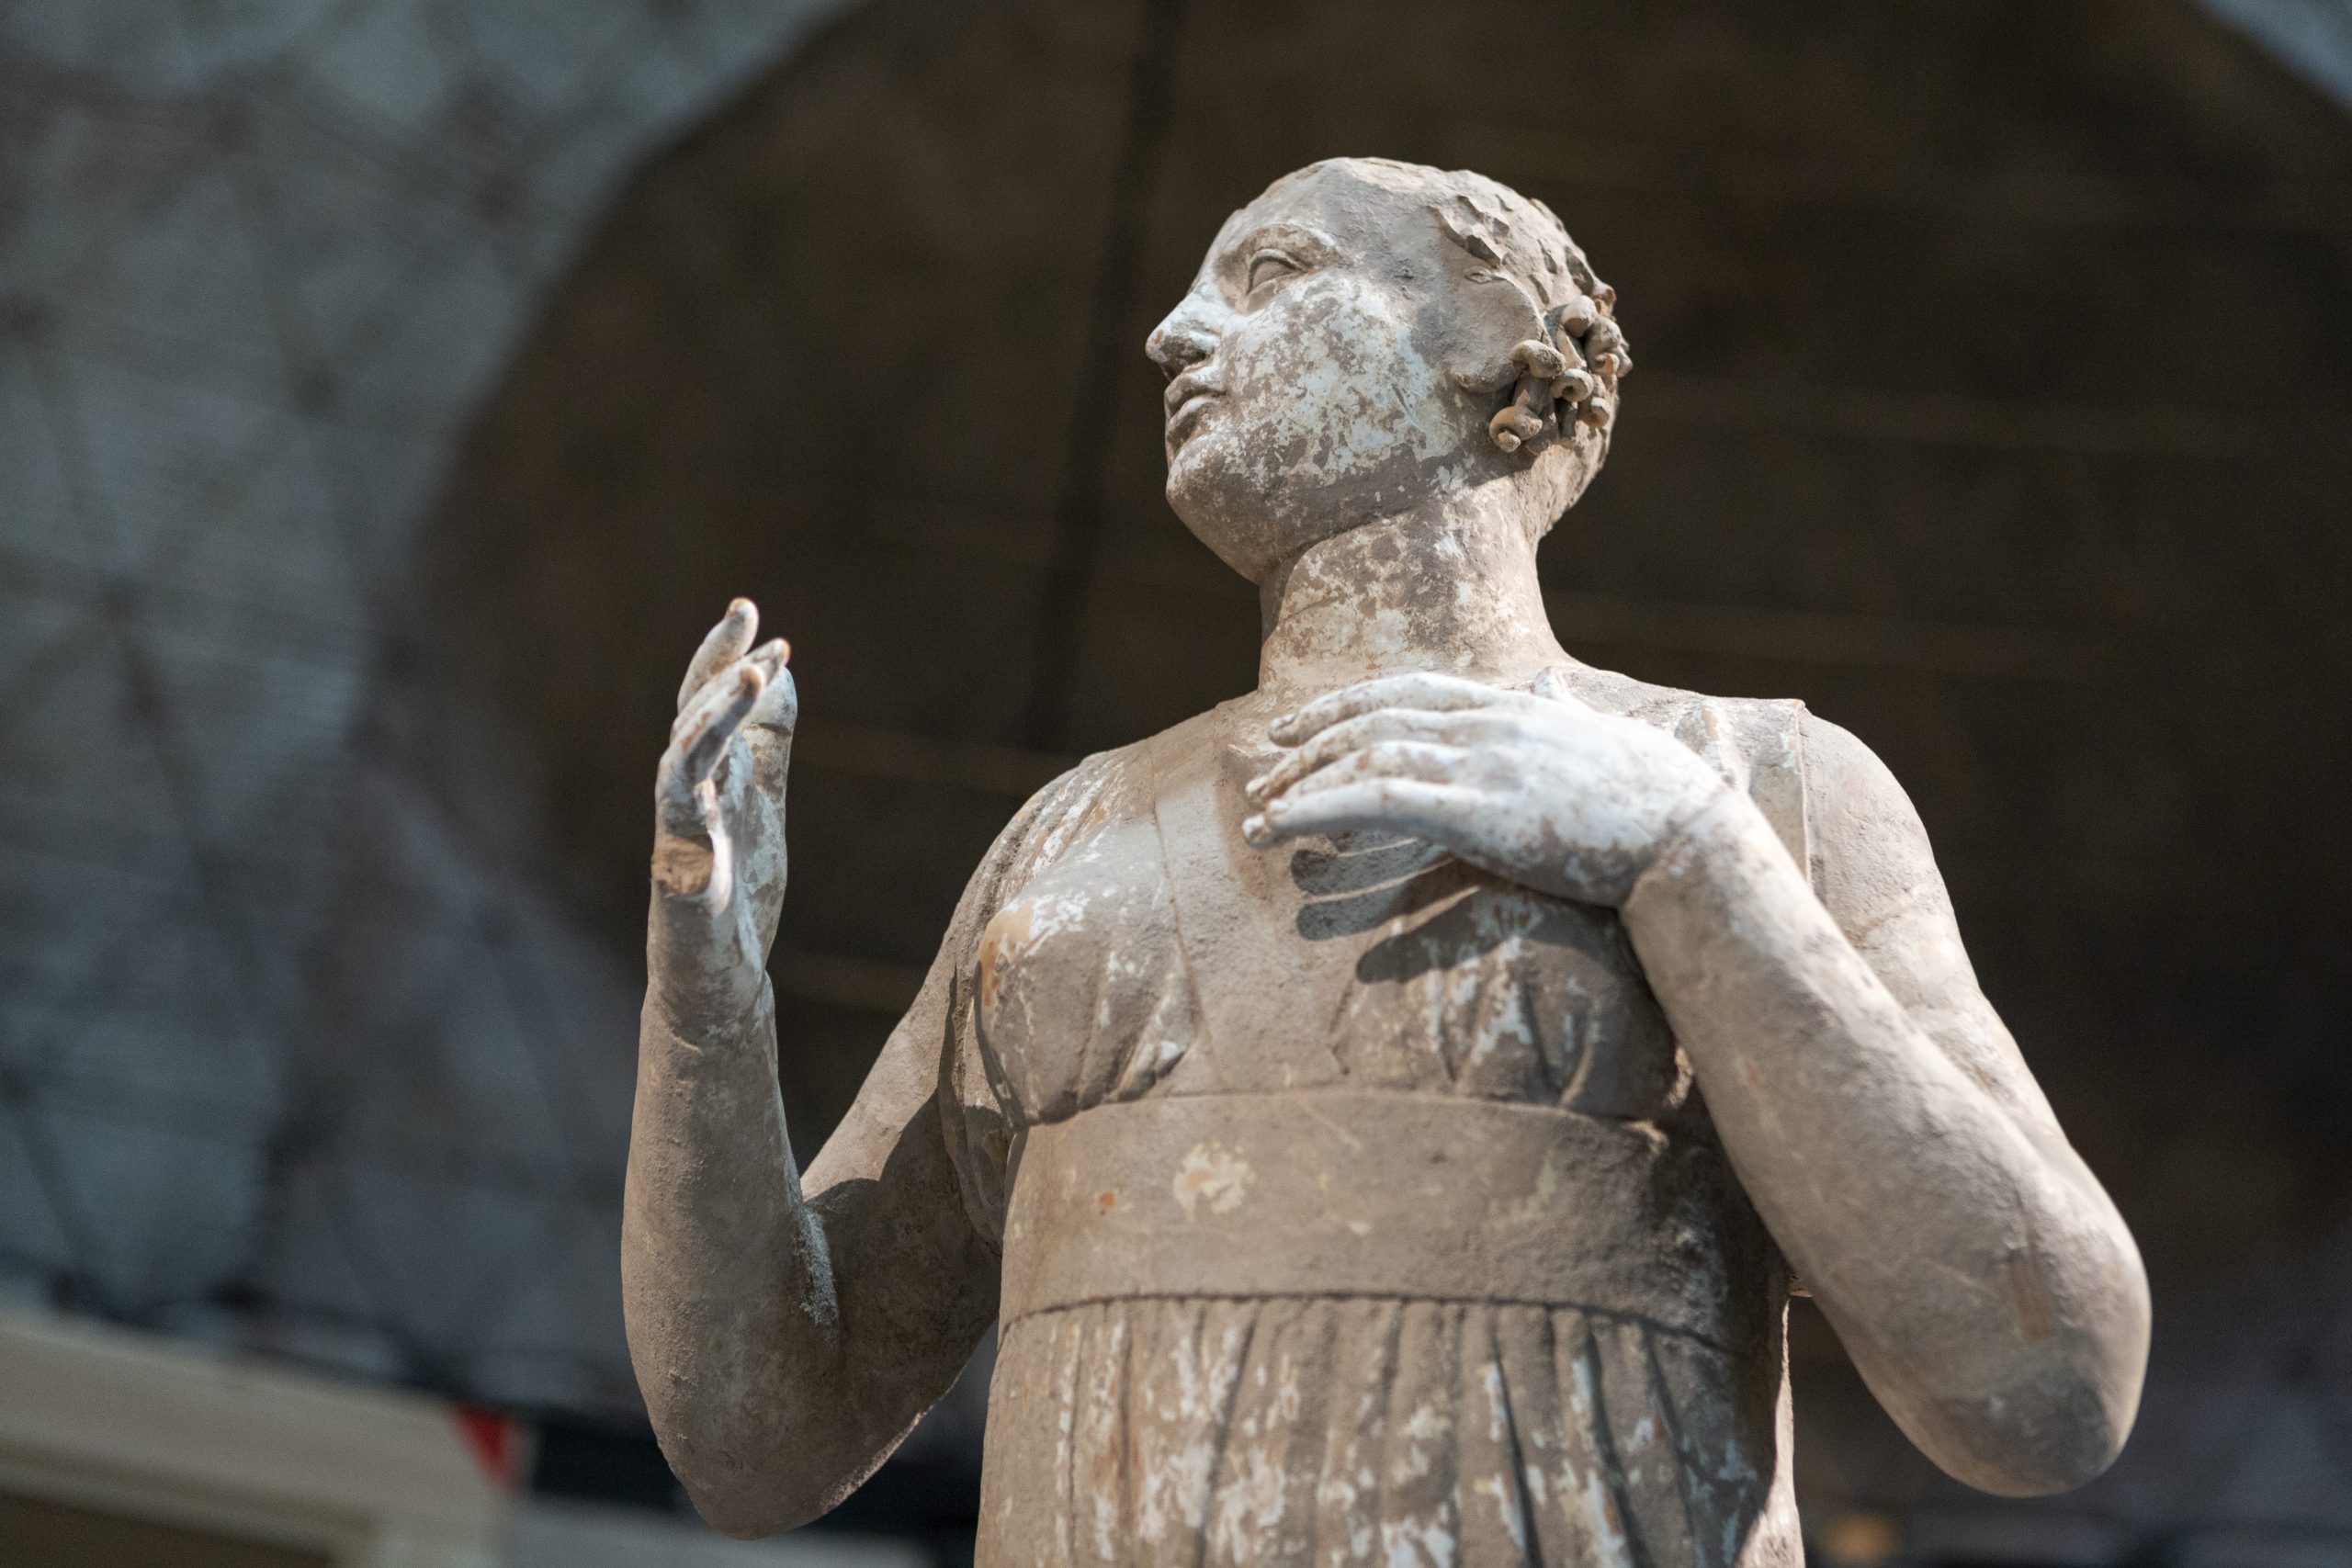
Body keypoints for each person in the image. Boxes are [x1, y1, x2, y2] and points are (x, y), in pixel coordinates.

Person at [622, 158, 2148, 1566]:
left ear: (1489, 337)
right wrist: (708, 992)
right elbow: (765, 1434)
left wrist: (1688, 860)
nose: (1171, 332)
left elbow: (2047, 1381)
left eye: (1269, 272)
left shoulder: (1761, 784)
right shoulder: (1067, 837)